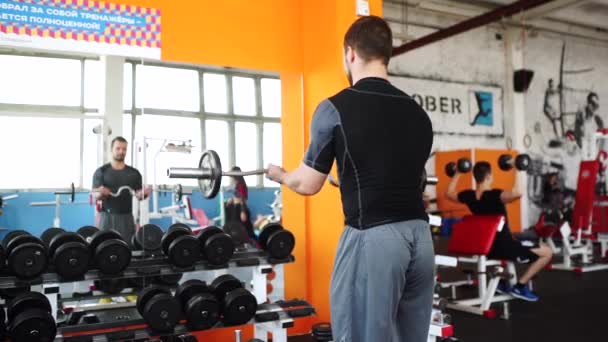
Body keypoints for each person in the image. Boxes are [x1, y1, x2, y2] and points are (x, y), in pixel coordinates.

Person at [266, 16, 434, 342]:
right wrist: (348, 182)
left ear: (350, 53)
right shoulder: (418, 113)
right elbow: (405, 178)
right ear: (386, 54)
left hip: (373, 238)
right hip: (420, 239)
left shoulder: (335, 108)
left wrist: (281, 175)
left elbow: (307, 183)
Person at [445, 161, 553, 302]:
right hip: (505, 247)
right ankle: (520, 286)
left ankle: (502, 284)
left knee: (520, 241)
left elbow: (449, 193)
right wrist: (517, 169)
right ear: (489, 176)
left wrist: (458, 173)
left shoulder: (469, 196)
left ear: (475, 177)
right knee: (547, 252)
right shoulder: (495, 195)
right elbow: (518, 193)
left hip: (487, 247)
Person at [93, 136, 150, 245]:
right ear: (111, 150)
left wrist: (144, 194)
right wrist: (101, 193)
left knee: (126, 248)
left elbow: (139, 195)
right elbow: (96, 195)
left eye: (124, 149)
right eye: (118, 148)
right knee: (103, 247)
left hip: (126, 218)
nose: (121, 151)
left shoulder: (134, 173)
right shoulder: (101, 172)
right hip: (107, 217)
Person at [224, 167, 255, 240]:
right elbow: (236, 195)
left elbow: (243, 198)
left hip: (240, 208)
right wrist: (231, 199)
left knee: (240, 228)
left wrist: (243, 211)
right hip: (234, 206)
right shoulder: (236, 183)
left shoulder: (241, 184)